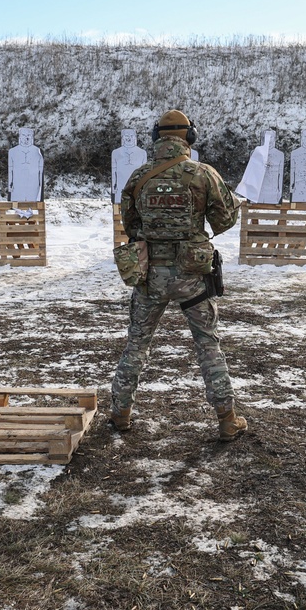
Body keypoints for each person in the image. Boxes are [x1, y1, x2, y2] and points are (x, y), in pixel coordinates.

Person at [110, 109, 246, 441]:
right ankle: (227, 419)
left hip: (150, 276)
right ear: (190, 137)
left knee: (136, 345)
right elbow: (225, 222)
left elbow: (130, 225)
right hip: (192, 276)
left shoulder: (139, 176)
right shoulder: (203, 174)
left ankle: (121, 414)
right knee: (207, 345)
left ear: (157, 138)